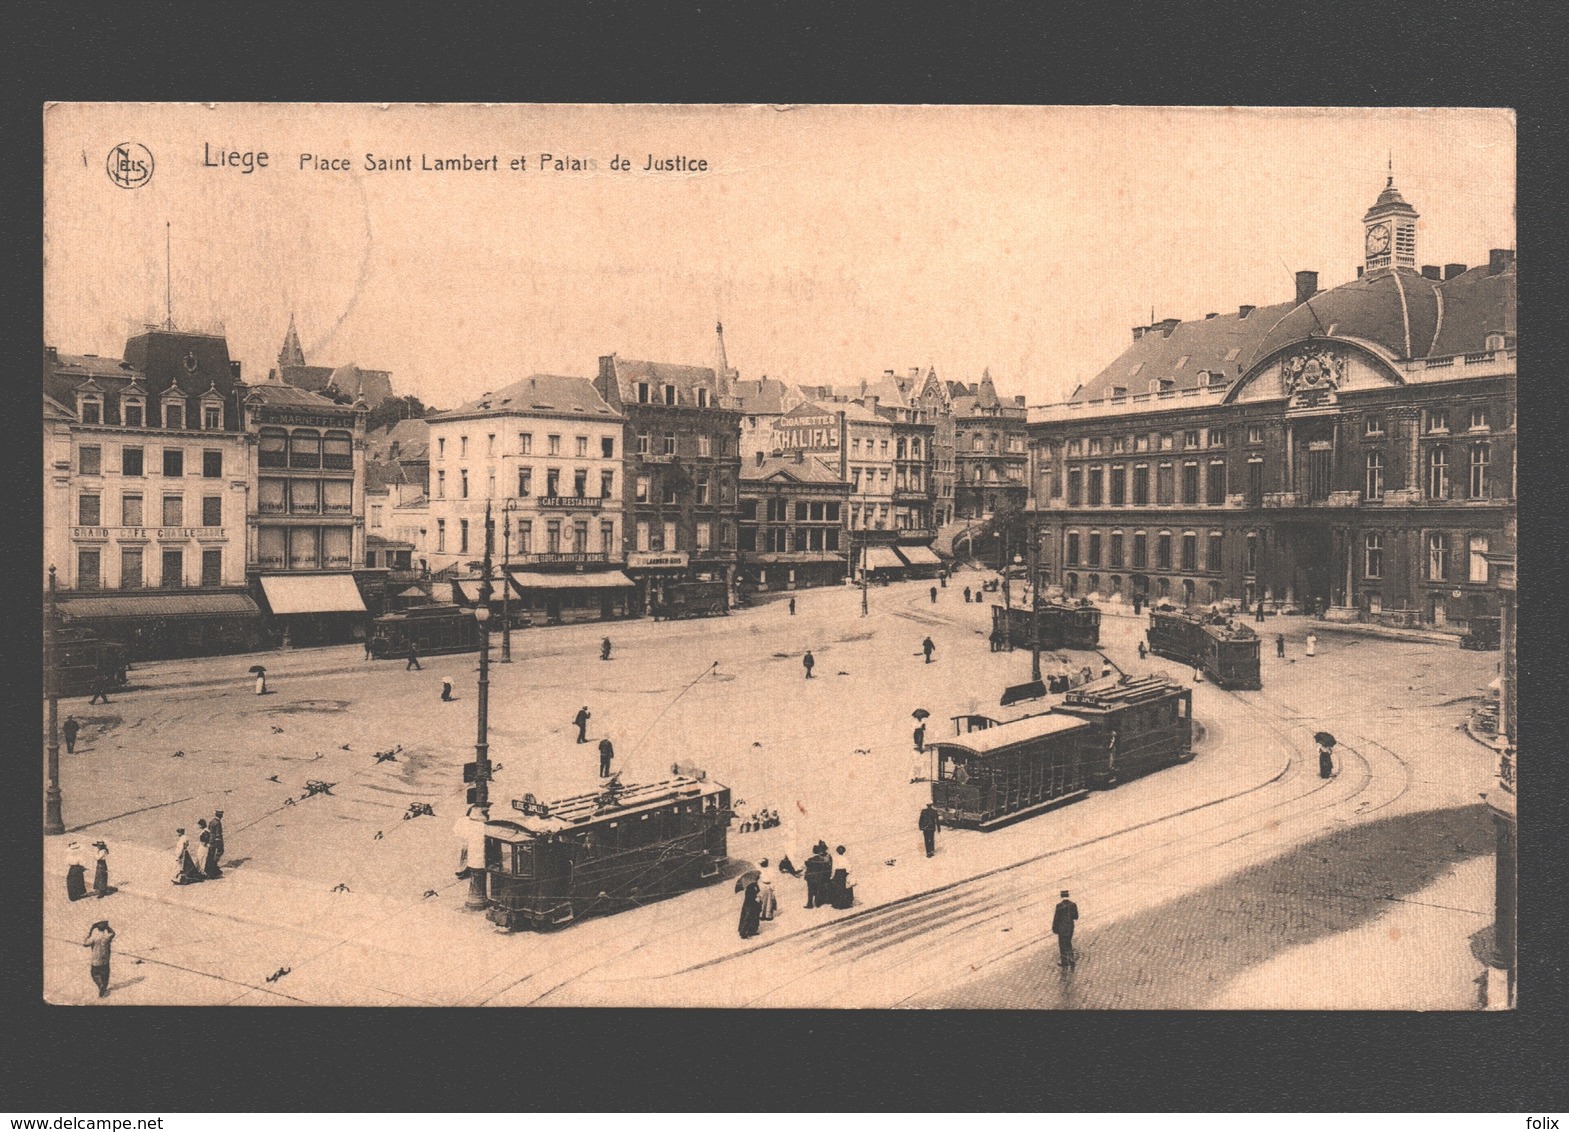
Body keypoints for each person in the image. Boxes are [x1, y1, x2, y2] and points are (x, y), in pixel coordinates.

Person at [83, 920, 115, 998]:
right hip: (105, 960)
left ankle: (100, 985)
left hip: (96, 960)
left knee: (94, 974)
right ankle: (103, 989)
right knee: (106, 975)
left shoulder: (94, 938)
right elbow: (113, 933)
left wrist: (90, 930)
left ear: (97, 929)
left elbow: (85, 943)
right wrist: (107, 926)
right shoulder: (107, 937)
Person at [1052, 890, 1079, 968]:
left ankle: (1065, 961)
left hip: (1061, 928)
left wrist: (1054, 928)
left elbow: (1056, 918)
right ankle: (1071, 959)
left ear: (1061, 896)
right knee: (1068, 942)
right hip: (1070, 928)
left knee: (1062, 944)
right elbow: (1076, 917)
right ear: (1068, 895)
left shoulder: (1059, 906)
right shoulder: (1073, 904)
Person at [803, 843, 833, 908]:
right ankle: (817, 903)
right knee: (817, 890)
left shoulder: (809, 859)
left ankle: (809, 904)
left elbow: (806, 866)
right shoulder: (823, 859)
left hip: (810, 878)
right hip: (818, 877)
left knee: (810, 891)